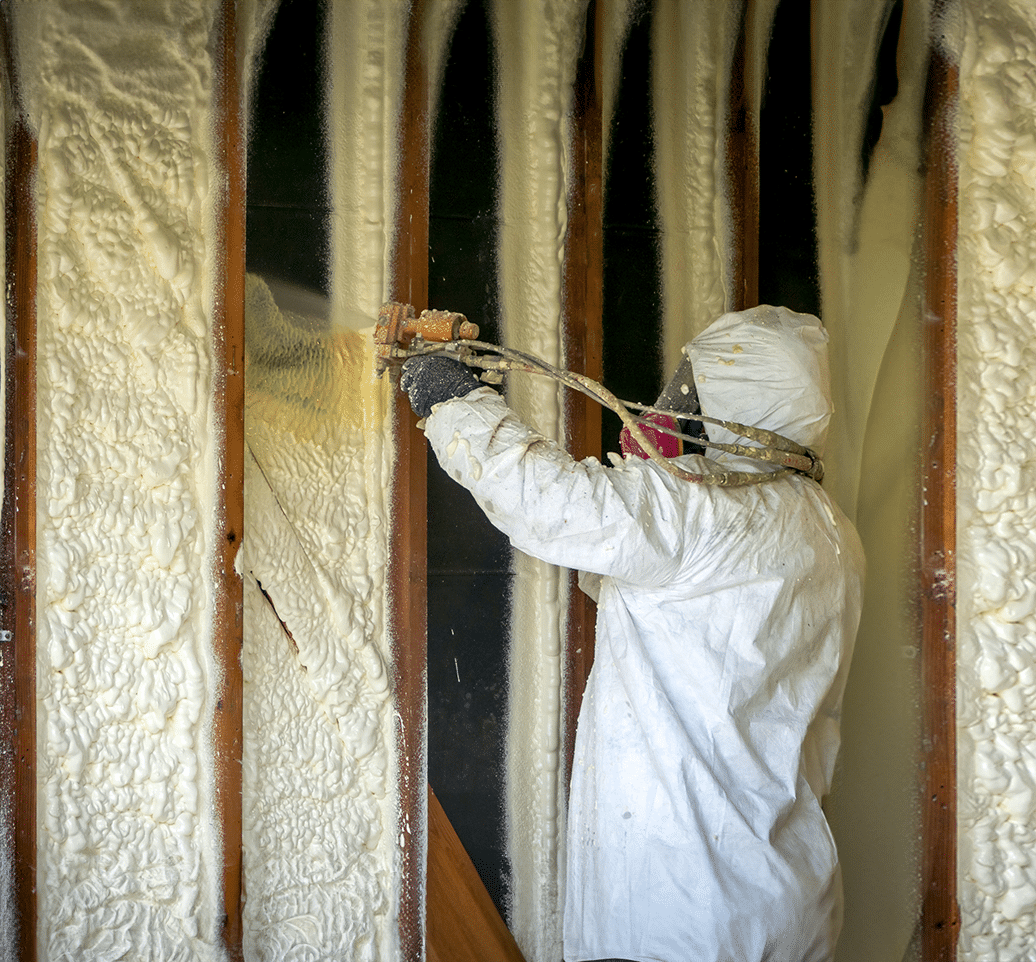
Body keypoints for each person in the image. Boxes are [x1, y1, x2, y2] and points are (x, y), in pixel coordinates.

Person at [400, 305, 864, 962]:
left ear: (741, 405)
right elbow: (665, 594)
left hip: (685, 913)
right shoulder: (824, 526)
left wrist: (447, 392)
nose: (666, 411)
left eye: (688, 393)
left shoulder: (708, 514)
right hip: (784, 899)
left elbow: (552, 503)